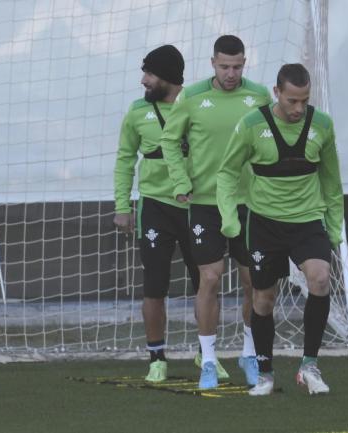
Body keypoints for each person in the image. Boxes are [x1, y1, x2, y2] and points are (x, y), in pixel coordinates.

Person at [216, 63, 343, 396]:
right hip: (264, 224)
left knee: (319, 277)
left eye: (304, 101)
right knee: (263, 299)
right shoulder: (252, 125)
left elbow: (331, 180)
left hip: (307, 220)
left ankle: (309, 366)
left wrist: (335, 224)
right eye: (291, 101)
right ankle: (265, 374)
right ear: (277, 93)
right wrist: (229, 217)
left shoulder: (323, 125)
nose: (298, 108)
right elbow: (227, 173)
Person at [159, 35, 272, 389]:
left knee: (253, 280)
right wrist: (180, 181)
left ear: (244, 63)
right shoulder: (191, 97)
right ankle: (208, 359)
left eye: (237, 66)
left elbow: (270, 143)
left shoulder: (259, 96)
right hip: (206, 204)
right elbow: (169, 142)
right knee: (209, 278)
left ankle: (249, 353)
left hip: (248, 204)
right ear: (212, 63)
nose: (231, 73)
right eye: (225, 66)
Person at [113, 45, 199, 382]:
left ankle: (205, 354)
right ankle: (156, 358)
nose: (143, 80)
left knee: (205, 283)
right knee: (154, 286)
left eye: (149, 74)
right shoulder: (137, 112)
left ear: (167, 78)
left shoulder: (196, 107)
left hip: (195, 207)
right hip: (154, 208)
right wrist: (122, 206)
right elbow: (124, 160)